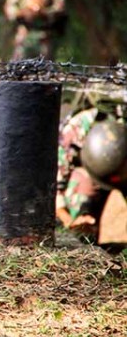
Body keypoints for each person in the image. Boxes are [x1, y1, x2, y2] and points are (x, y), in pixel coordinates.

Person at [56, 102, 126, 252]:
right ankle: (85, 246)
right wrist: (70, 221)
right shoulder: (77, 129)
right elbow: (56, 189)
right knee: (83, 188)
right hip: (87, 175)